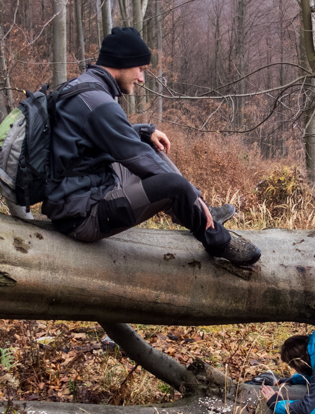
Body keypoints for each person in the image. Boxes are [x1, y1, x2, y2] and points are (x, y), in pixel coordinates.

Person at [42, 27, 261, 266]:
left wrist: (145, 132)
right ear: (123, 62)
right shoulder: (99, 103)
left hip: (76, 195)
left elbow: (107, 139)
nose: (141, 78)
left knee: (152, 149)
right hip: (83, 217)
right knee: (174, 185)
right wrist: (190, 193)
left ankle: (199, 210)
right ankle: (218, 241)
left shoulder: (84, 88)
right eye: (141, 69)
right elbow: (138, 157)